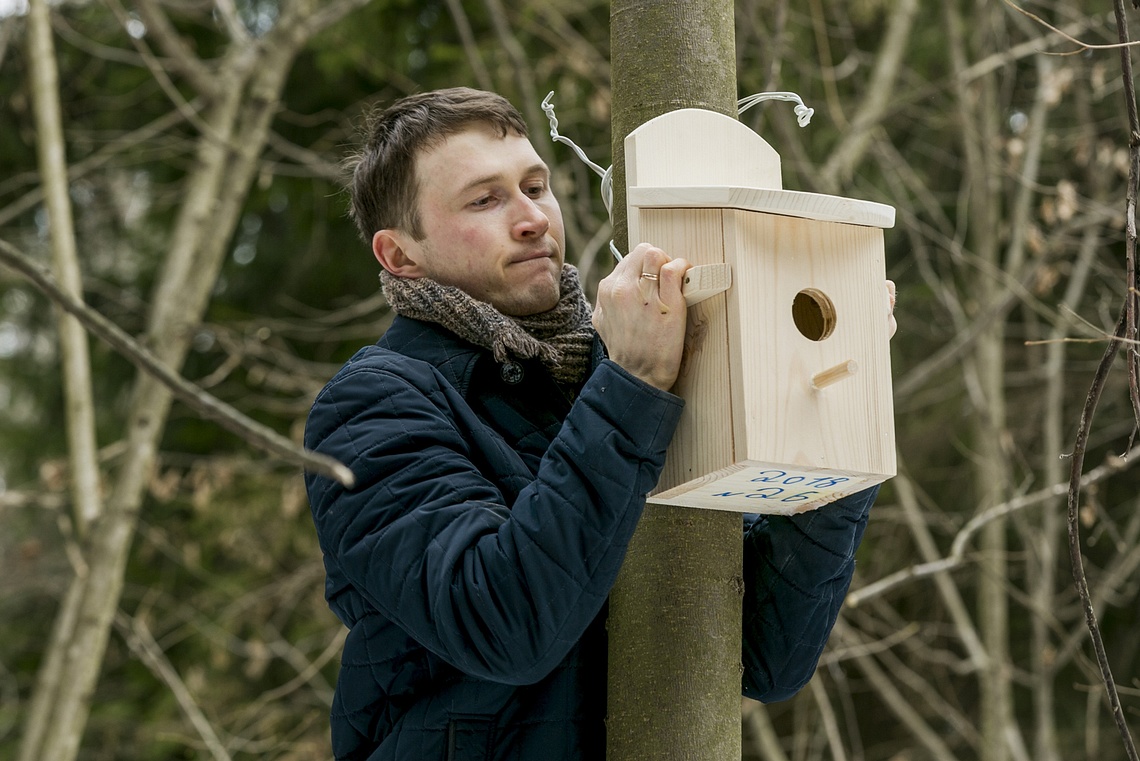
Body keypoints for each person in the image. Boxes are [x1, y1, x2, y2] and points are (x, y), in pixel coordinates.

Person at [304, 87, 893, 761]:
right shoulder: (370, 406)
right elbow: (505, 624)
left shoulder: (618, 373)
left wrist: (841, 426)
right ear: (399, 254)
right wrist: (633, 384)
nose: (531, 218)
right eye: (484, 199)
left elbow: (767, 659)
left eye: (535, 185)